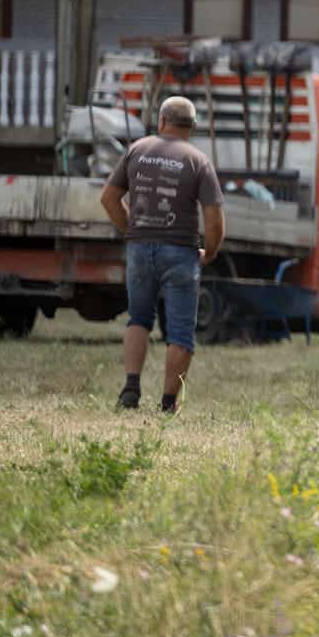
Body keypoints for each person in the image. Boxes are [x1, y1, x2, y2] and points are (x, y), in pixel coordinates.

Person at [102, 95, 224, 414]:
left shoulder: (137, 150)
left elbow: (109, 198)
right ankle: (168, 404)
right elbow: (213, 218)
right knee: (180, 332)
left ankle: (130, 388)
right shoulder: (198, 161)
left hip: (140, 248)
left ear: (161, 121)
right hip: (181, 252)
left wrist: (132, 229)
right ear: (192, 127)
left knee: (139, 318)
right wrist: (210, 251)